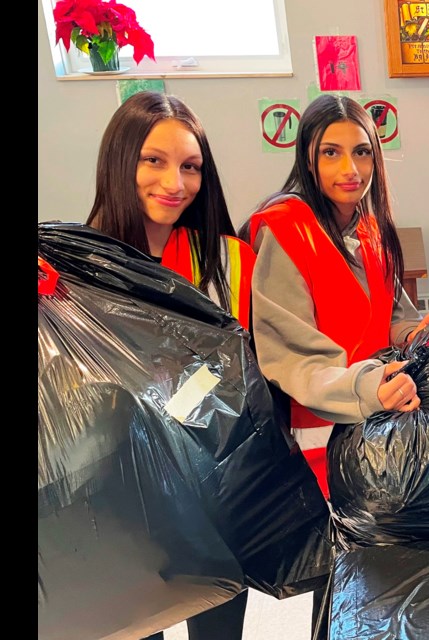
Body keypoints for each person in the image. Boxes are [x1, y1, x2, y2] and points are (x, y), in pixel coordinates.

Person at [243, 94, 429, 632]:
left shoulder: (370, 227)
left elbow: (391, 316)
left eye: (362, 153)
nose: (350, 169)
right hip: (317, 437)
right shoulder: (282, 229)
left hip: (372, 423)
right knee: (337, 584)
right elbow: (289, 358)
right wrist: (366, 386)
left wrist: (421, 331)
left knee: (380, 580)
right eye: (331, 153)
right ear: (306, 157)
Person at [84, 91, 254, 638]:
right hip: (118, 494)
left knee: (219, 627)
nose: (174, 183)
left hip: (211, 488)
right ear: (119, 160)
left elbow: (246, 371)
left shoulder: (227, 260)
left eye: (190, 166)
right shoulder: (80, 265)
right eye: (153, 161)